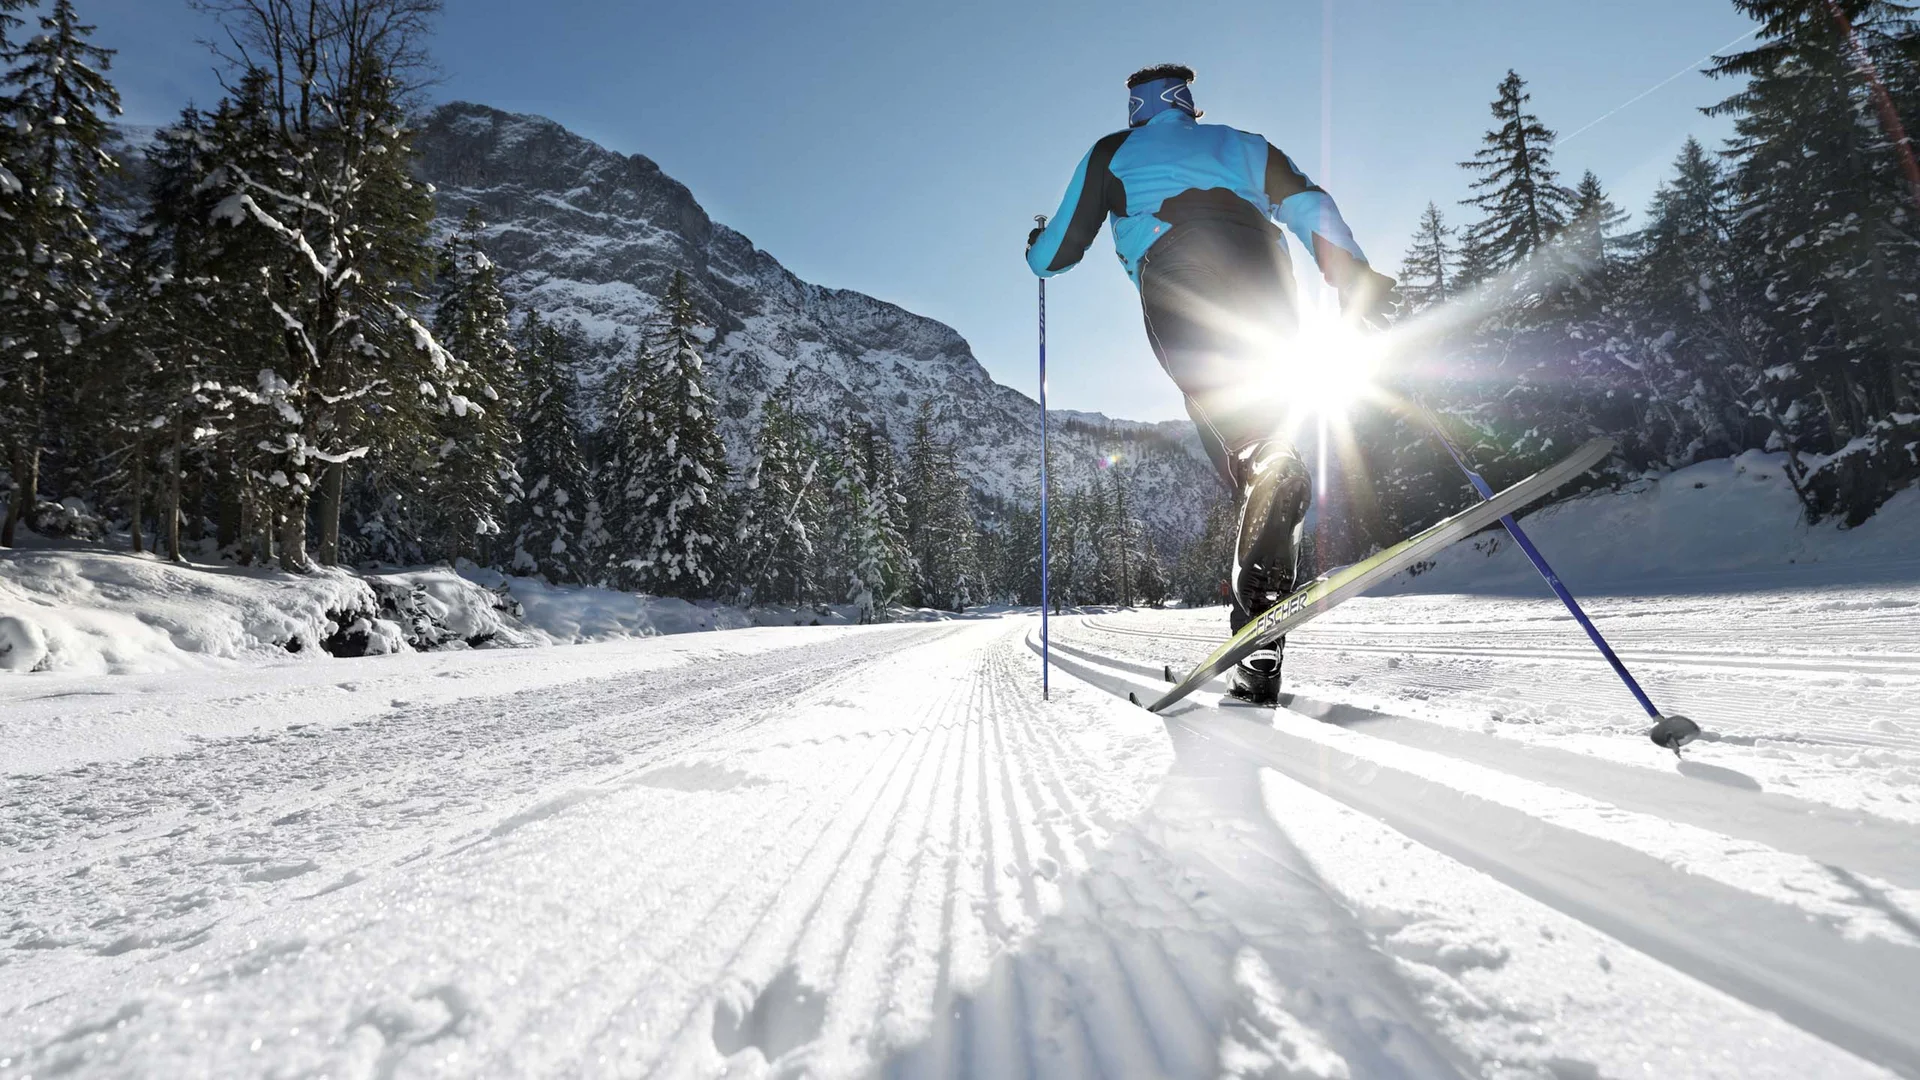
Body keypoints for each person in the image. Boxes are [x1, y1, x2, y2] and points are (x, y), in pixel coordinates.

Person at [1026, 63, 1399, 705]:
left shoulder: (1114, 153)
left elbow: (1058, 251)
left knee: (1251, 450)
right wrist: (1353, 275)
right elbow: (1311, 204)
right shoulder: (1243, 144)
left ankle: (1257, 623)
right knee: (1265, 447)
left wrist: (1035, 244)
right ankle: (1260, 651)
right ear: (1188, 105)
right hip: (1266, 274)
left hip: (1178, 273)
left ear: (1136, 109)